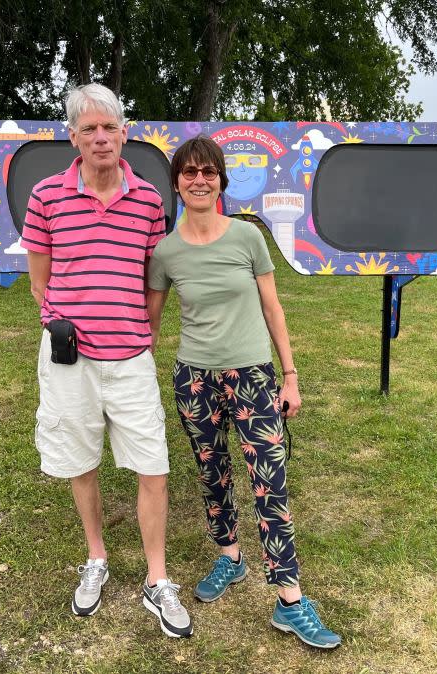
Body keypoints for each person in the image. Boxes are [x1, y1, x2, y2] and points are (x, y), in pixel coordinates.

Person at [146, 135, 341, 649]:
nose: (199, 180)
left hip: (253, 377)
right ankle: (230, 557)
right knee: (213, 475)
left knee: (269, 482)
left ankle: (290, 600)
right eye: (189, 172)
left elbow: (273, 309)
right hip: (195, 379)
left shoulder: (247, 237)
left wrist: (290, 375)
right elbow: (151, 320)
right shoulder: (165, 250)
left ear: (221, 180)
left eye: (208, 171)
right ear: (177, 183)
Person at [21, 83, 191, 638]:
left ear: (125, 133)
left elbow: (152, 279)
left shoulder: (148, 201)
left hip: (131, 358)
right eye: (88, 128)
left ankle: (156, 578)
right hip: (71, 359)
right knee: (80, 460)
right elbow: (40, 280)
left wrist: (141, 329)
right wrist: (59, 323)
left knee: (154, 466)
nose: (100, 137)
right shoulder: (46, 196)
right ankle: (96, 558)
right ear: (73, 138)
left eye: (109, 127)